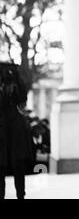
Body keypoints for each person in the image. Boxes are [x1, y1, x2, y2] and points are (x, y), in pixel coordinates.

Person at [0, 63, 33, 200]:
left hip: (15, 127)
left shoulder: (17, 80)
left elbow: (23, 99)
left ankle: (21, 195)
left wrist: (16, 85)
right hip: (2, 127)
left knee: (18, 163)